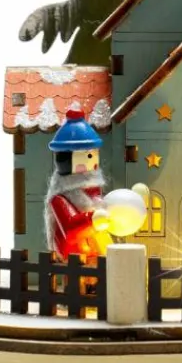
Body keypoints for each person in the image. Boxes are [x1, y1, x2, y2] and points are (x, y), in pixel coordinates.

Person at [45, 109, 113, 262]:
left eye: (94, 155)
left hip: (98, 255)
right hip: (73, 259)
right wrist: (91, 219)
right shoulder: (59, 199)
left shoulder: (94, 192)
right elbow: (69, 231)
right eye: (88, 156)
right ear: (67, 160)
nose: (93, 162)